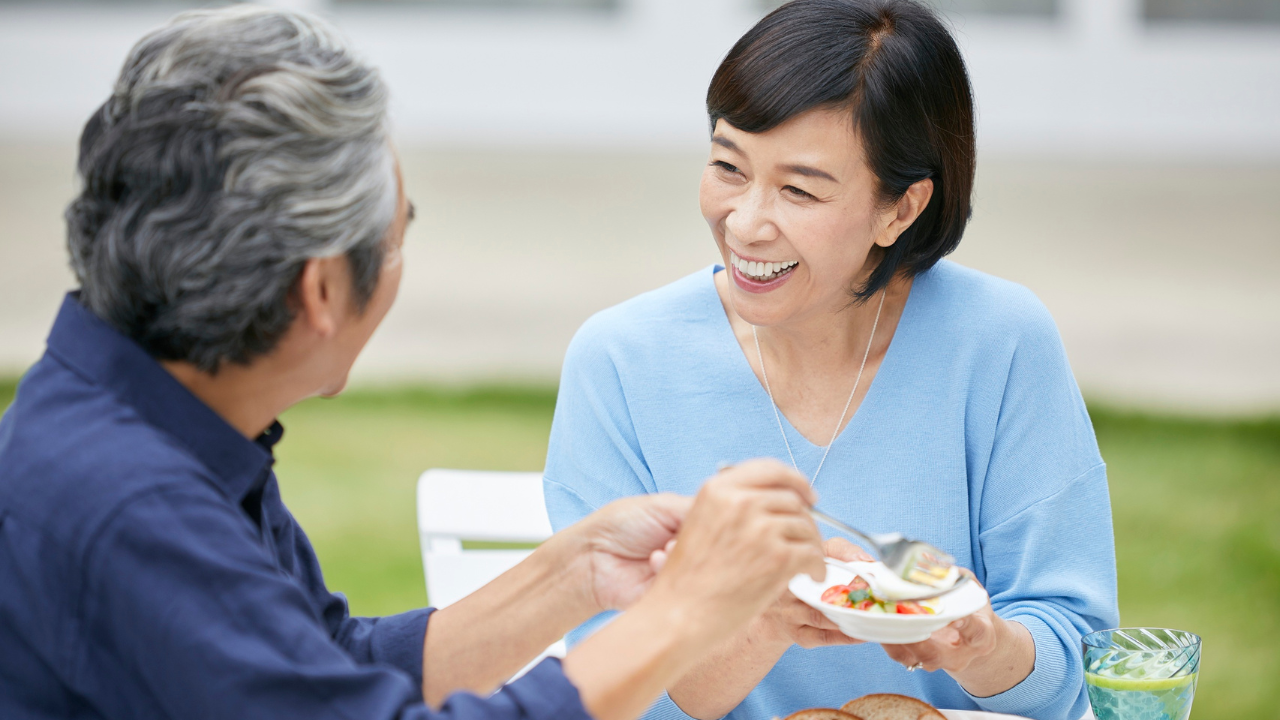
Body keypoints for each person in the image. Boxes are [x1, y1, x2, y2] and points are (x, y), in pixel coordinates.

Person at [0, 7, 831, 720]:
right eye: (397, 237)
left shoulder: (160, 417)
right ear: (322, 289)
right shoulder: (128, 501)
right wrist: (686, 614)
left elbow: (328, 667)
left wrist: (577, 570)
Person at [542, 1, 1119, 719]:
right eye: (728, 166)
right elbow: (601, 692)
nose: (745, 223)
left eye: (799, 190)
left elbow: (1078, 658)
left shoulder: (1000, 342)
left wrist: (977, 642)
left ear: (900, 209)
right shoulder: (622, 361)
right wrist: (766, 622)